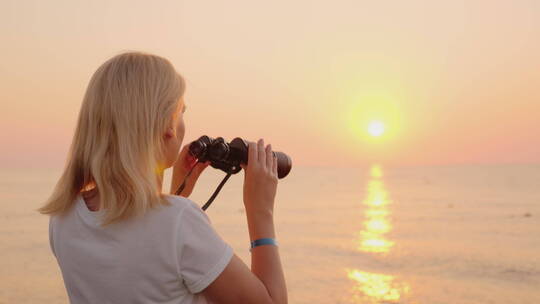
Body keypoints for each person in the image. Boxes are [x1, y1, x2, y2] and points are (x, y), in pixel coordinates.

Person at [37, 51, 288, 304]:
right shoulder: (179, 221)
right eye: (181, 111)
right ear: (168, 124)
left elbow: (140, 253)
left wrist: (175, 194)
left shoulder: (63, 219)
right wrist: (260, 210)